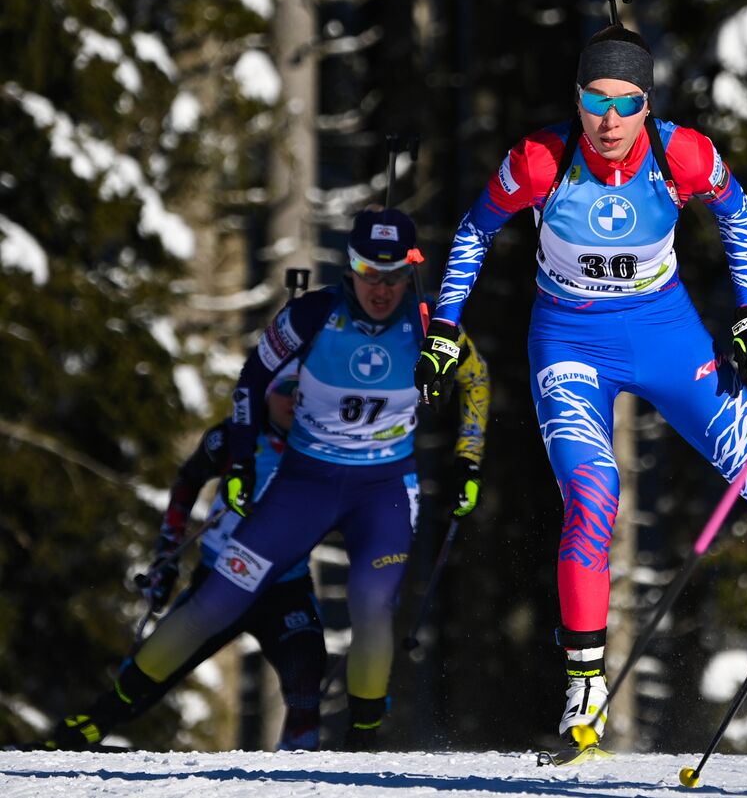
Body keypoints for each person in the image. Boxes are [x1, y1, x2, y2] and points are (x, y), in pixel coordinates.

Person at [415, 16, 747, 749]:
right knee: (592, 498)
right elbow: (473, 230)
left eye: (625, 103)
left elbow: (736, 211)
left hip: (667, 337)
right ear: (576, 99)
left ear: (648, 104)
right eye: (594, 101)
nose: (609, 121)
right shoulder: (540, 161)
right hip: (570, 343)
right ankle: (584, 691)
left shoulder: (683, 154)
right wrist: (446, 325)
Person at [51, 208, 490, 750]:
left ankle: (362, 744)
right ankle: (98, 718)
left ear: (412, 269)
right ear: (349, 267)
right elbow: (252, 380)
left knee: (372, 603)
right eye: (369, 273)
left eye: (395, 274)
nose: (382, 288)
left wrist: (468, 459)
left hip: (383, 489)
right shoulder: (311, 315)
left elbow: (476, 380)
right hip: (305, 482)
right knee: (217, 599)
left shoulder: (430, 324)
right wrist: (239, 462)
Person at [51, 376, 328, 751]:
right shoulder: (234, 437)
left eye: (303, 393)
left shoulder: (327, 446)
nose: (293, 401)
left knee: (307, 679)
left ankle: (301, 774)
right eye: (284, 391)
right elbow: (188, 482)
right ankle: (75, 740)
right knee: (152, 668)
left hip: (284, 588)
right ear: (267, 394)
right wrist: (167, 552)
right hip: (221, 579)